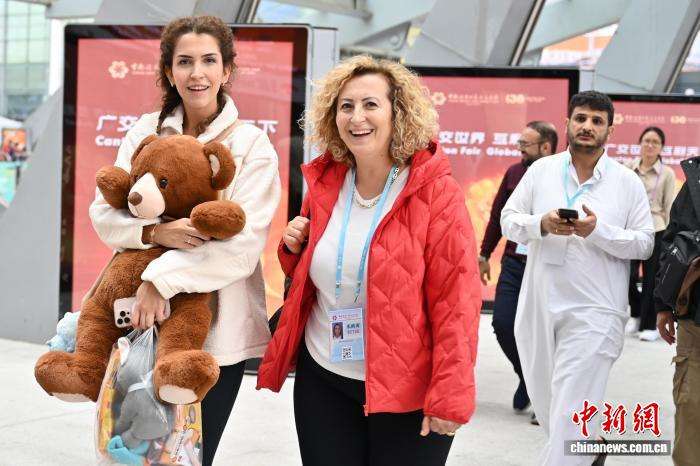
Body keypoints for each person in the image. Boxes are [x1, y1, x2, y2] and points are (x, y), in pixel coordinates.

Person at [256, 55, 481, 466]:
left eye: (370, 104)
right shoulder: (327, 181)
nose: (357, 117)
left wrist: (451, 393)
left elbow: (457, 301)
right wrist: (293, 249)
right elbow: (323, 273)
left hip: (407, 388)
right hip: (323, 377)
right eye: (346, 106)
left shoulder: (435, 192)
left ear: (399, 113)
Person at [89, 16, 281, 466]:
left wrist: (160, 280)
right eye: (185, 62)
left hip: (215, 334)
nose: (198, 73)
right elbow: (105, 212)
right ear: (169, 71)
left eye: (209, 61)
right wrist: (155, 232)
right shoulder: (144, 132)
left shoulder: (252, 145)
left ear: (226, 70)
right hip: (139, 324)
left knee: (189, 456)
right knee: (131, 453)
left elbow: (241, 246)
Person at [501, 90, 654, 465]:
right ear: (567, 123)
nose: (587, 126)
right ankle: (591, 448)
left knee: (570, 414)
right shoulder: (541, 171)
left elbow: (645, 243)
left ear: (610, 131)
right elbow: (509, 219)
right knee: (553, 409)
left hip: (596, 312)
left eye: (597, 121)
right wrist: (542, 223)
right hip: (539, 305)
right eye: (581, 118)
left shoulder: (626, 182)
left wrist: (598, 232)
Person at [479, 120, 557, 424]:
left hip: (546, 264)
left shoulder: (560, 176)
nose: (520, 149)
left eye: (526, 144)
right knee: (502, 322)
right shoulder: (514, 173)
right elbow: (497, 215)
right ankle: (527, 376)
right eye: (520, 143)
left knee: (543, 333)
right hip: (514, 262)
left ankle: (544, 397)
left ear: (546, 147)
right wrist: (484, 253)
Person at [655, 156, 700, 466]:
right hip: (695, 315)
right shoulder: (696, 181)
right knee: (691, 409)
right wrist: (663, 304)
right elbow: (673, 240)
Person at [625, 126, 676, 341]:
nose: (650, 145)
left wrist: (670, 237)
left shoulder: (667, 173)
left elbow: (670, 206)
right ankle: (636, 313)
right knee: (627, 276)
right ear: (640, 143)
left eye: (655, 142)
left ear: (661, 147)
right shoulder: (628, 169)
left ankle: (648, 325)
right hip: (630, 228)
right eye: (647, 140)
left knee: (650, 280)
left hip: (656, 229)